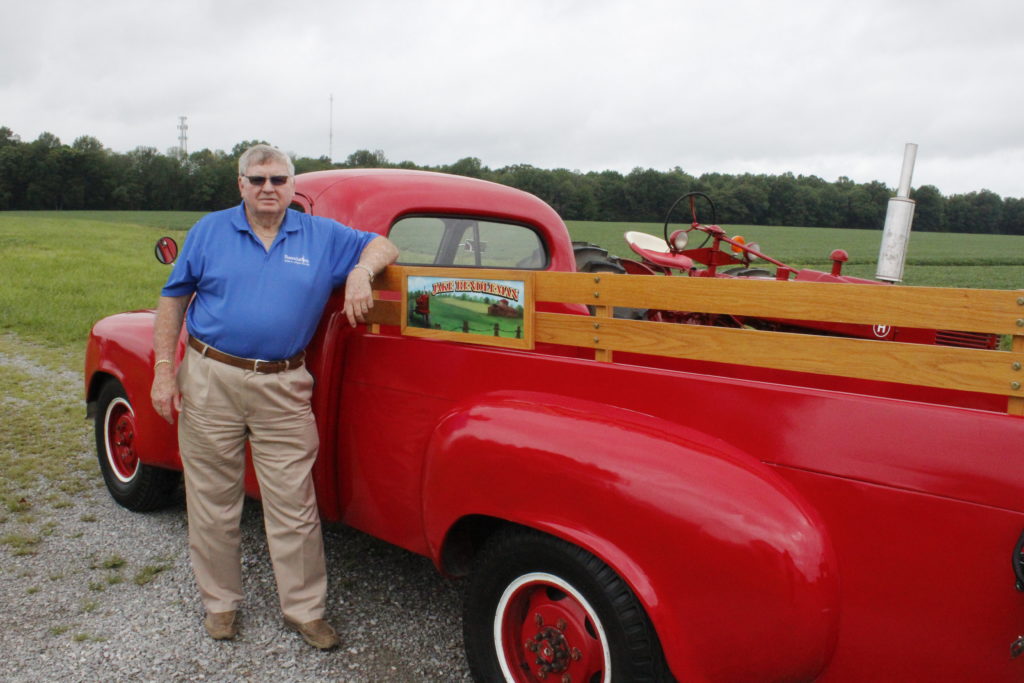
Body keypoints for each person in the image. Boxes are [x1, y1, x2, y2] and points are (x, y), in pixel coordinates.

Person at [149, 144, 398, 649]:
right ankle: (220, 604)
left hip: (284, 384)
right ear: (240, 184)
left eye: (279, 179)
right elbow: (173, 297)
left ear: (291, 185)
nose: (269, 188)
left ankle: (304, 610)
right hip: (211, 375)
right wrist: (162, 370)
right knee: (212, 500)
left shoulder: (320, 234)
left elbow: (383, 245)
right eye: (258, 180)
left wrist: (358, 271)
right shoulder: (210, 231)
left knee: (294, 503)